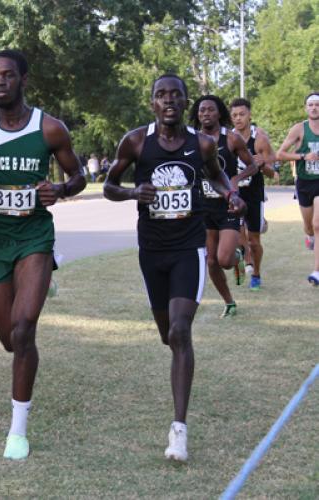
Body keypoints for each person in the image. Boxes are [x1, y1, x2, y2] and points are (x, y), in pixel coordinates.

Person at [0, 49, 86, 460]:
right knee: (10, 340)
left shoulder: (50, 128)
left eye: (7, 75)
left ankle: (18, 430)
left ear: (23, 79)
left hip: (34, 237)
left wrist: (59, 190)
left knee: (25, 330)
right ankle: (39, 286)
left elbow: (78, 176)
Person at [104, 74, 246, 462]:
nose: (168, 101)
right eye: (160, 95)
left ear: (185, 102)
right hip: (152, 250)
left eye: (175, 95)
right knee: (169, 336)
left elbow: (217, 176)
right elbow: (108, 185)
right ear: (151, 102)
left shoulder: (201, 143)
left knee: (181, 331)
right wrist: (134, 192)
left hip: (189, 247)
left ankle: (178, 430)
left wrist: (232, 194)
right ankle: (179, 364)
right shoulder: (136, 141)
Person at [189, 95, 257, 317]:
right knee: (210, 260)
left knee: (224, 260)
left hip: (228, 205)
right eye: (201, 111)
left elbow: (253, 165)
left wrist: (236, 180)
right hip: (203, 207)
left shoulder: (232, 138)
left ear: (219, 113)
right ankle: (229, 302)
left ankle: (237, 257)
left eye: (210, 110)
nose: (205, 114)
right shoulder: (192, 139)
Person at [230, 98, 277, 290]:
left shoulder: (260, 140)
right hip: (234, 194)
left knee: (254, 240)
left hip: (254, 195)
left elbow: (274, 174)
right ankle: (244, 260)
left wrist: (262, 164)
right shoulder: (228, 138)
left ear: (250, 115)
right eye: (234, 115)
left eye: (242, 114)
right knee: (236, 236)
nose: (238, 118)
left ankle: (256, 273)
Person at [277, 92, 319, 285]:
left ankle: (317, 271)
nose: (314, 108)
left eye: (317, 104)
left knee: (318, 224)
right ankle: (308, 235)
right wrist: (304, 157)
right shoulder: (299, 129)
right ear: (305, 108)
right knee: (309, 226)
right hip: (304, 182)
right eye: (310, 104)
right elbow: (280, 154)